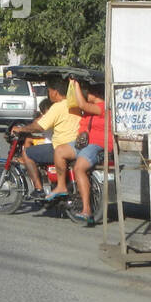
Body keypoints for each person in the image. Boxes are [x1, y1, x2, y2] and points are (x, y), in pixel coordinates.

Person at [11, 76, 80, 199]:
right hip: (76, 146)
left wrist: (21, 129)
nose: (49, 94)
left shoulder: (57, 107)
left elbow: (39, 127)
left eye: (48, 91)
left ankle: (38, 188)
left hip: (60, 148)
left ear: (55, 92)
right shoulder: (74, 103)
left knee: (27, 153)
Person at [61, 79, 111, 225]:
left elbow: (82, 104)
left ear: (95, 94)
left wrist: (75, 84)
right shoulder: (91, 108)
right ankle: (61, 187)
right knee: (60, 151)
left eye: (88, 91)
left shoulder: (102, 107)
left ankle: (87, 209)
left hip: (98, 145)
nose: (86, 93)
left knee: (79, 168)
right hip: (84, 144)